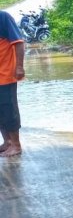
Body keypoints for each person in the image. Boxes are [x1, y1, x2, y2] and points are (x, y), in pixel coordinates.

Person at [0, 11, 25, 157]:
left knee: (9, 110)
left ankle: (16, 145)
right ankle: (7, 142)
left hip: (5, 74)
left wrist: (19, 67)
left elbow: (18, 42)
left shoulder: (3, 17)